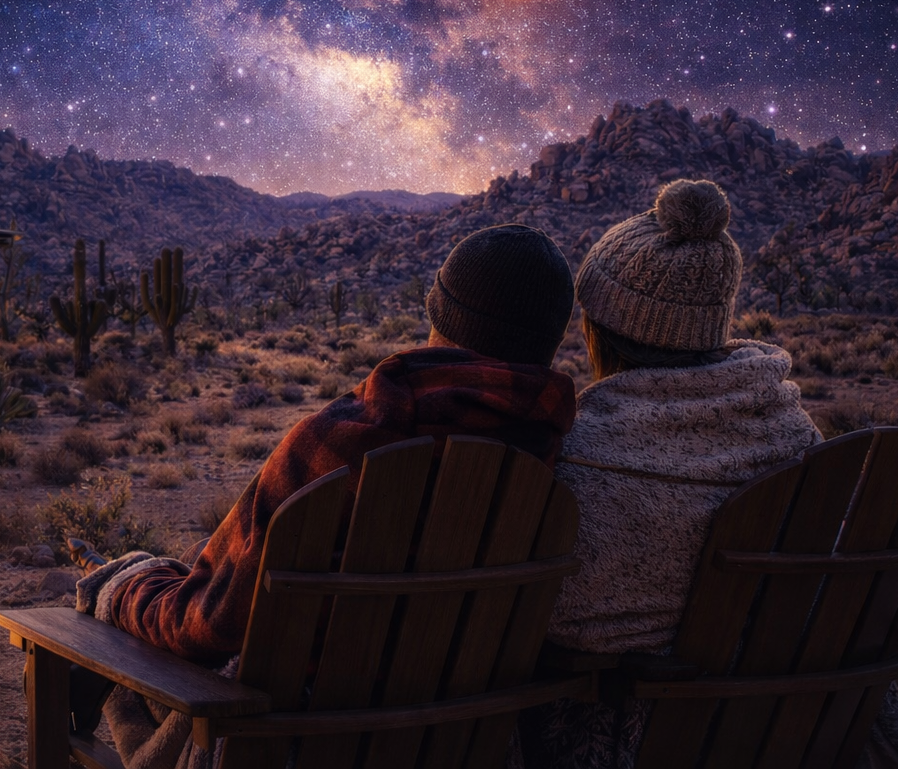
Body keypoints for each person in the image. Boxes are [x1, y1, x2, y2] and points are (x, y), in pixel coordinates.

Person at [71, 224, 580, 765]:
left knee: (120, 633)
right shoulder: (553, 452)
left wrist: (126, 585)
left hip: (297, 742)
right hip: (457, 741)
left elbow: (211, 624)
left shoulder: (338, 442)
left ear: (439, 314)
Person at [520, 179, 898, 769]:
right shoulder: (793, 434)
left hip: (638, 734)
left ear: (599, 329)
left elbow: (571, 624)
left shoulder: (585, 453)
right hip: (793, 726)